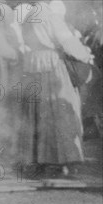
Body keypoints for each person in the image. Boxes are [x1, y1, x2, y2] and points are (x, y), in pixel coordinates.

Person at [19, 0, 94, 176]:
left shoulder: (30, 15)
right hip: (52, 66)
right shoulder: (50, 16)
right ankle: (58, 161)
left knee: (37, 114)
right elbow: (67, 41)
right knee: (59, 112)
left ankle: (38, 159)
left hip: (34, 64)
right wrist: (84, 54)